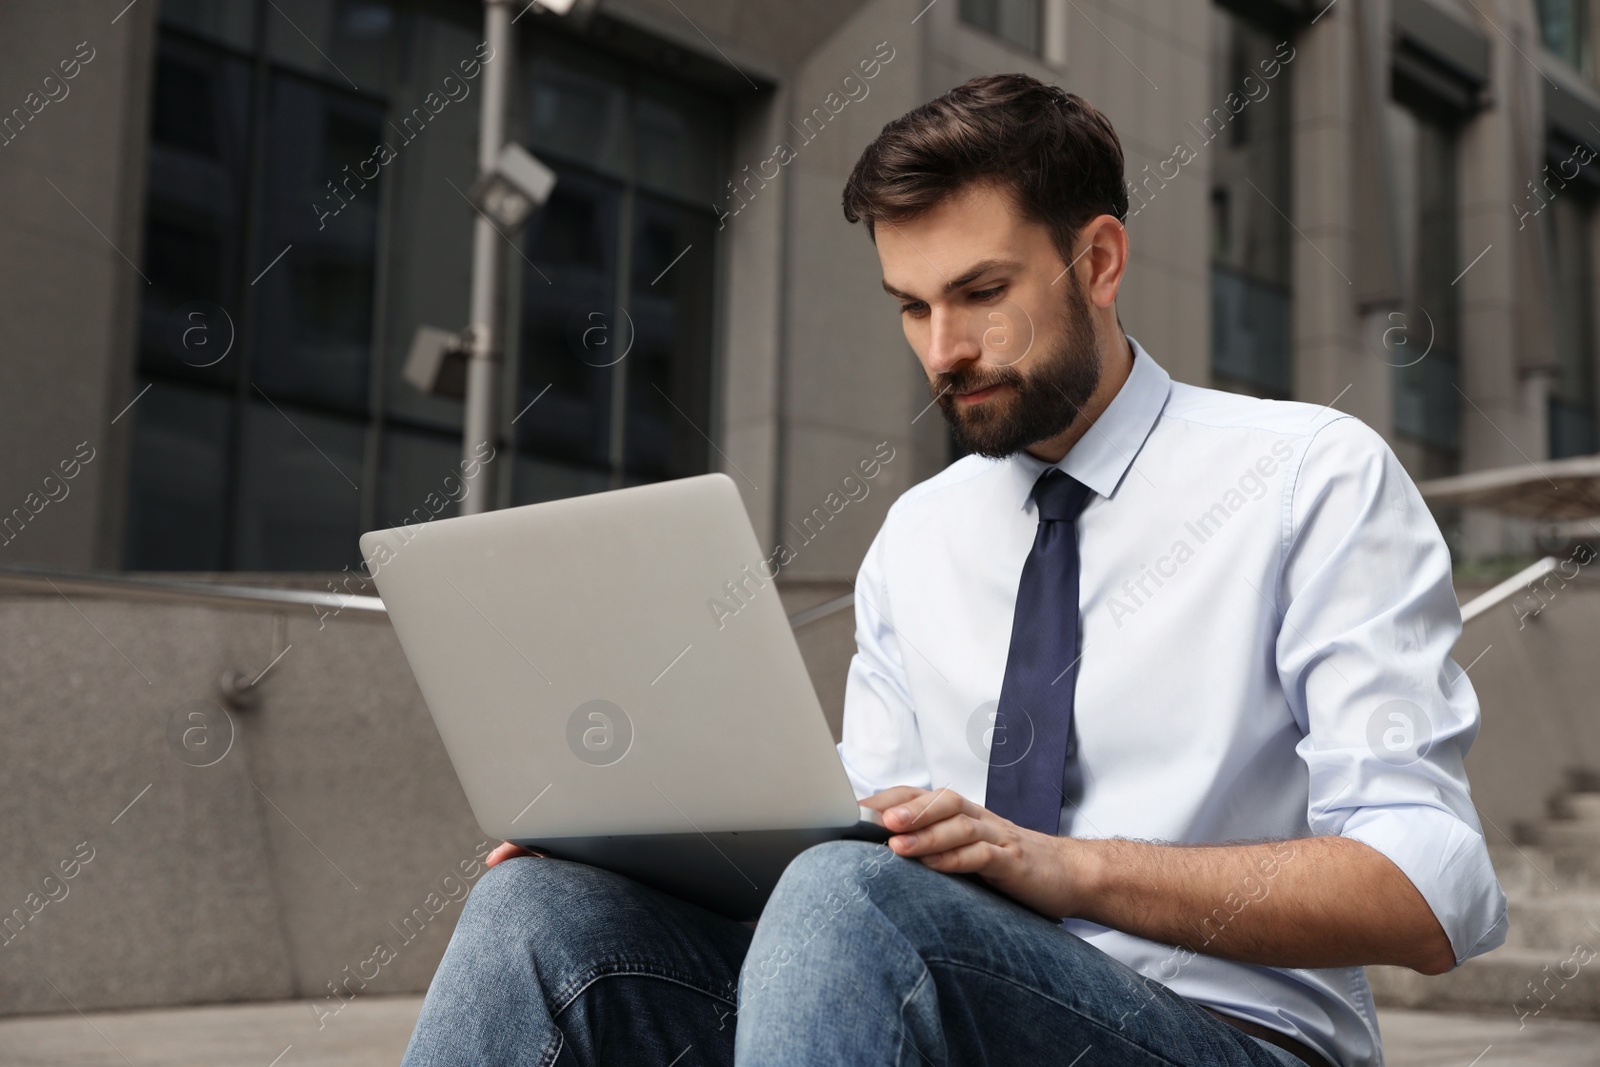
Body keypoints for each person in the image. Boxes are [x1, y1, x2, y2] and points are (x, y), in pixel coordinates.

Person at [400, 73, 1506, 1067]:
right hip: (929, 1002)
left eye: (980, 293)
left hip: (1225, 1034)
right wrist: (633, 841)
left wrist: (1062, 868)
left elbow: (1429, 887)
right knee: (541, 908)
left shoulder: (1306, 474)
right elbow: (855, 849)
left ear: (1101, 261)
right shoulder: (920, 535)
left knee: (856, 902)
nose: (942, 350)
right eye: (913, 307)